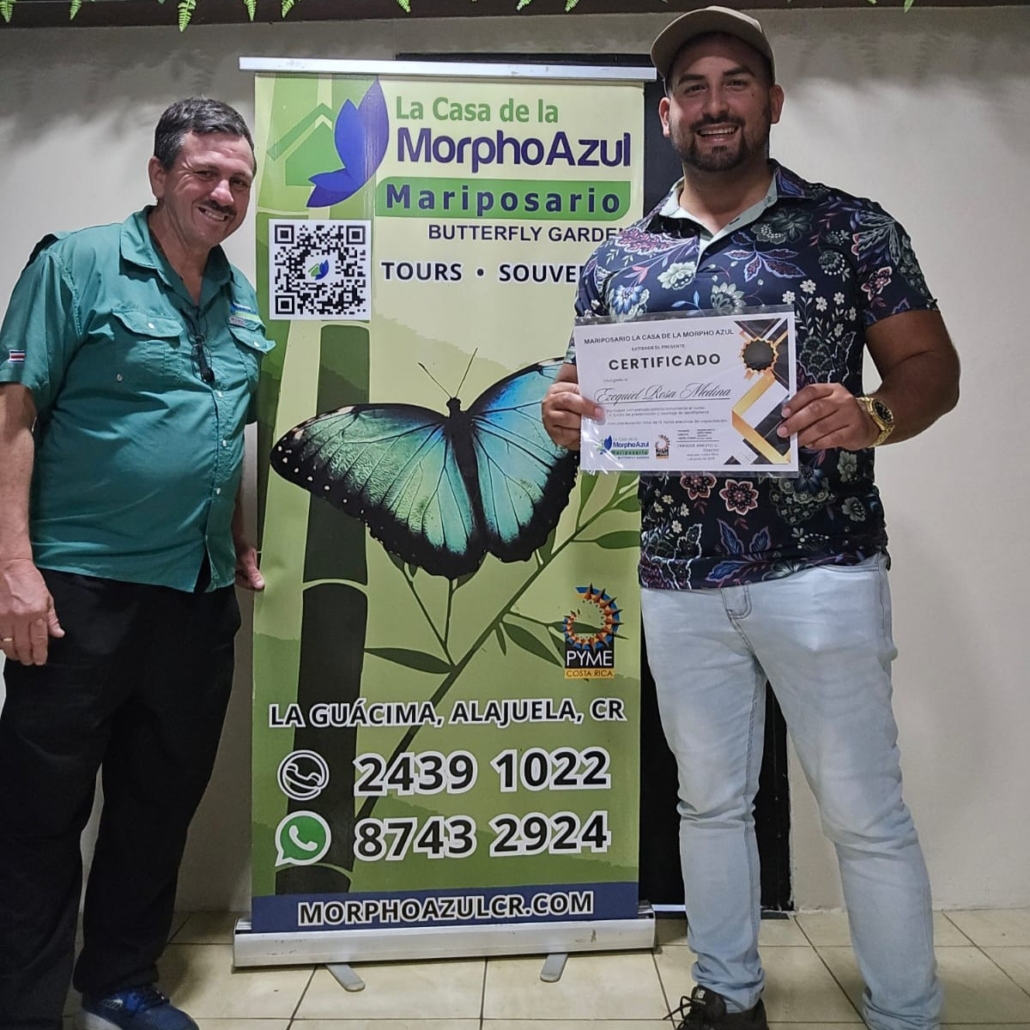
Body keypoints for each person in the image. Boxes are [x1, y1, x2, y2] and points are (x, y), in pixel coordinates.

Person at [542, 9, 959, 1030]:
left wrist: (874, 414)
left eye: (735, 82)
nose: (715, 102)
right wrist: (563, 410)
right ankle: (728, 998)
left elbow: (930, 369)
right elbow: (585, 386)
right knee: (709, 804)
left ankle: (906, 1014)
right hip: (679, 575)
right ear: (667, 114)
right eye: (694, 86)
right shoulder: (619, 258)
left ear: (771, 103)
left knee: (863, 811)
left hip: (821, 567)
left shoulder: (852, 229)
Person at [0, 97, 271, 1030]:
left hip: (194, 595)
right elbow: (13, 417)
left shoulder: (240, 298)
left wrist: (235, 535)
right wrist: (12, 566)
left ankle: (119, 984)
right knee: (40, 812)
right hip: (77, 589)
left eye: (239, 179)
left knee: (159, 802)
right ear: (159, 176)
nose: (224, 192)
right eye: (205, 173)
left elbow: (216, 432)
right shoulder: (76, 265)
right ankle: (23, 1008)